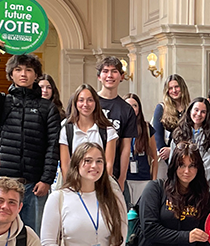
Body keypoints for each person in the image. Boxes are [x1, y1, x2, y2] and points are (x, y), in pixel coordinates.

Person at [0, 36, 61, 230]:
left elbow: (52, 145)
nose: (23, 74)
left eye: (29, 70)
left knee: (32, 234)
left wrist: (46, 179)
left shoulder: (47, 108)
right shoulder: (3, 103)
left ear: (36, 75)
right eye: (18, 70)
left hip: (34, 184)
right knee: (1, 231)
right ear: (11, 74)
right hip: (5, 181)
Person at [58, 83, 118, 191]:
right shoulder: (67, 130)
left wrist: (101, 188)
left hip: (101, 185)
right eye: (81, 100)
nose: (85, 104)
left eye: (90, 100)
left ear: (96, 103)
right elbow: (66, 165)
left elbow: (108, 164)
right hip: (75, 185)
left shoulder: (107, 130)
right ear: (75, 103)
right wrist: (72, 188)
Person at [95, 58, 138, 200]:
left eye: (114, 71)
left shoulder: (126, 109)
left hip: (113, 172)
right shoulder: (89, 103)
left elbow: (126, 147)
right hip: (88, 167)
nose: (109, 75)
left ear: (122, 76)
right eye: (105, 71)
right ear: (99, 76)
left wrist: (121, 178)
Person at [171, 97, 210, 192]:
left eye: (203, 112)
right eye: (196, 110)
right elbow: (173, 160)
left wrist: (194, 182)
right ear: (190, 111)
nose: (198, 114)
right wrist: (183, 181)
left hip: (205, 186)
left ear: (207, 115)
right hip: (181, 185)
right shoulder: (179, 132)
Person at [152, 73, 191, 176]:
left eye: (177, 87)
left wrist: (175, 151)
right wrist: (170, 155)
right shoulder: (161, 108)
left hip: (188, 157)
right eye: (170, 88)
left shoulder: (191, 108)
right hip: (166, 160)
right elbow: (158, 137)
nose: (174, 91)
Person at [123, 94, 159, 202]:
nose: (132, 109)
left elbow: (154, 157)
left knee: (142, 211)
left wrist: (153, 181)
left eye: (135, 105)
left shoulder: (146, 128)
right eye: (128, 105)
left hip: (144, 179)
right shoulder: (119, 128)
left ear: (139, 108)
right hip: (125, 179)